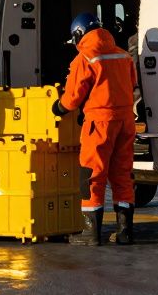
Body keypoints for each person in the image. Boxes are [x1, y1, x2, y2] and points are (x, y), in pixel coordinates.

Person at [53, 12, 139, 245]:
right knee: (122, 174)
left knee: (91, 175)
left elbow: (72, 98)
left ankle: (90, 233)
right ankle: (125, 232)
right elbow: (132, 85)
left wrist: (58, 107)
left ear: (79, 34)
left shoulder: (85, 58)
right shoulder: (123, 55)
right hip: (125, 121)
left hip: (99, 123)